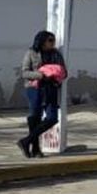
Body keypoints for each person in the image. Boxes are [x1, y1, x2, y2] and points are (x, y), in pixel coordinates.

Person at [18, 30, 67, 159]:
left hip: (51, 88)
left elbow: (64, 71)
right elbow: (24, 72)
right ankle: (35, 148)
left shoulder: (56, 54)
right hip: (35, 88)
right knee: (35, 117)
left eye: (53, 40)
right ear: (42, 41)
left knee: (52, 118)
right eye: (50, 40)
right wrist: (41, 75)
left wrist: (56, 77)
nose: (52, 43)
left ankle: (26, 141)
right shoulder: (31, 53)